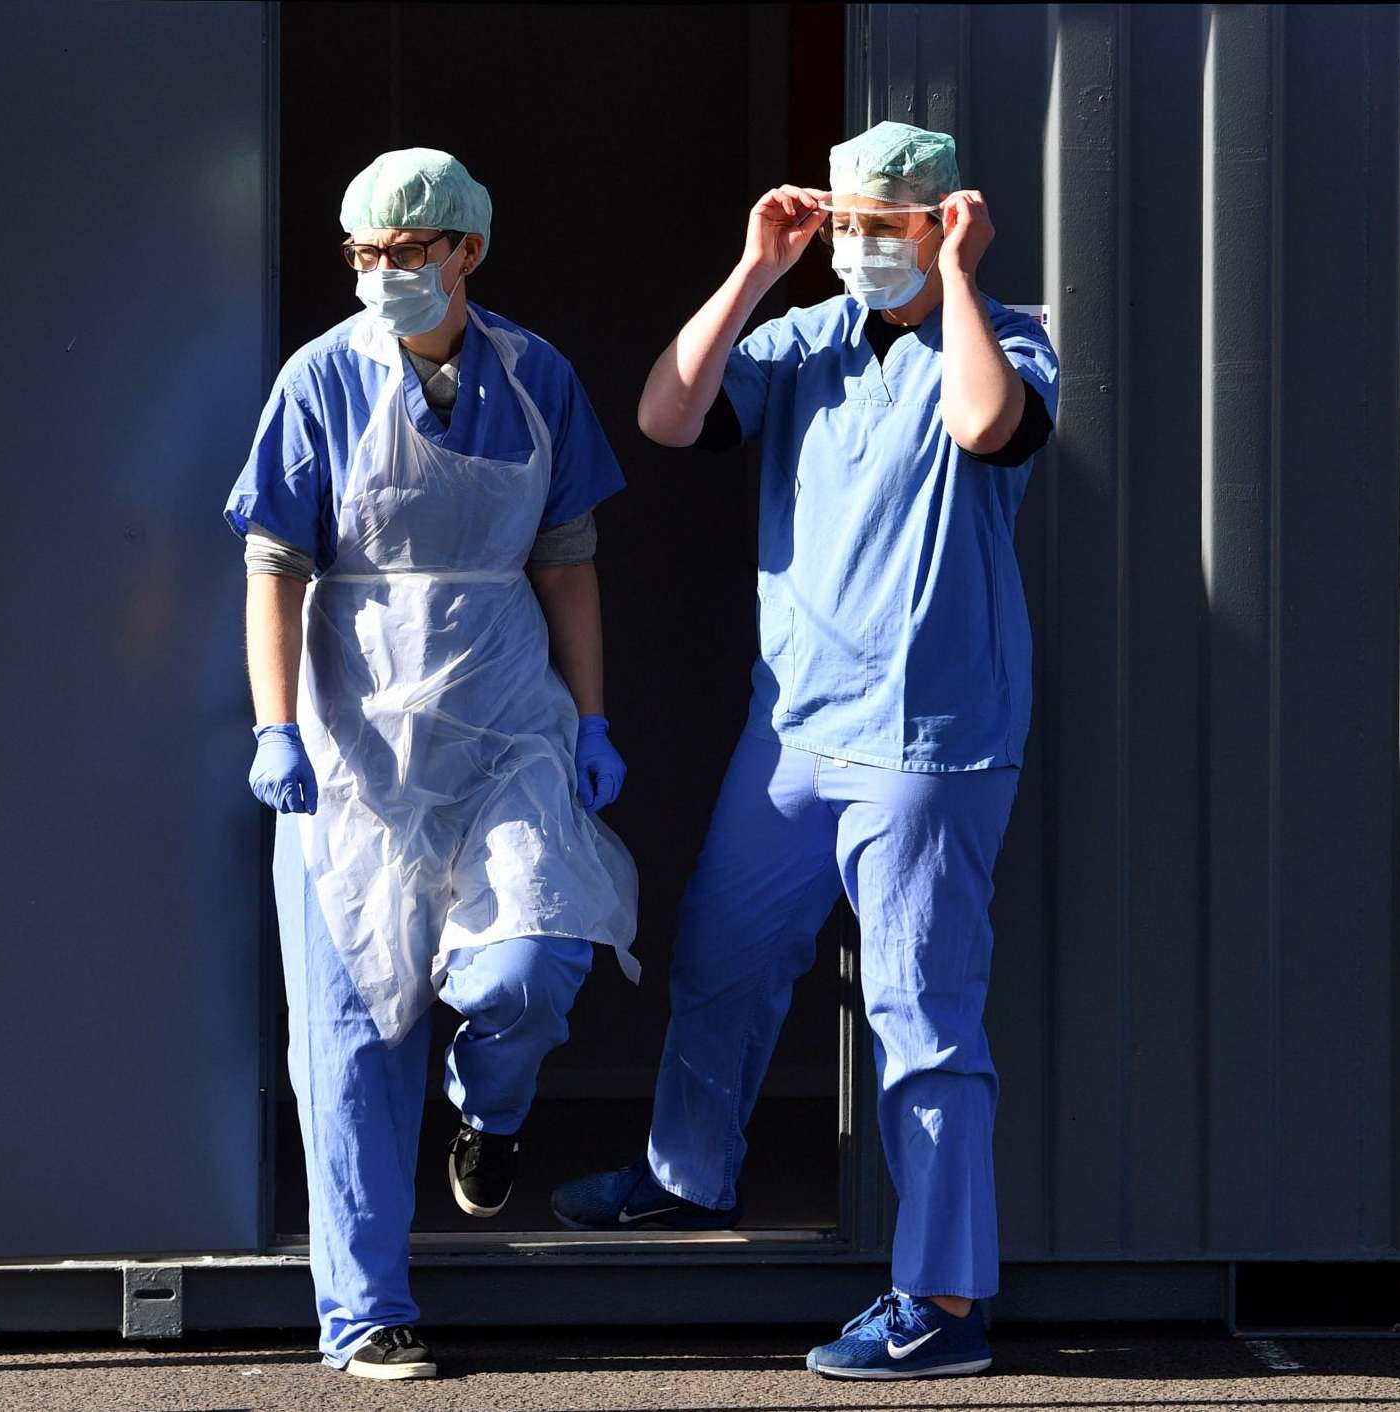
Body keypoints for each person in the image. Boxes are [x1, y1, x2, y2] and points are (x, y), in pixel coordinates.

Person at [550, 121, 1057, 1381]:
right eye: (846, 223)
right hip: (797, 726)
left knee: (921, 1014)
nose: (860, 246)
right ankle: (684, 1176)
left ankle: (942, 1303)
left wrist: (957, 276)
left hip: (926, 744)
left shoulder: (1002, 332)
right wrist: (756, 267)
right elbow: (667, 415)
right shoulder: (803, 344)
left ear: (940, 221)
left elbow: (992, 426)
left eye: (887, 224)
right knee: (721, 950)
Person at [226, 147, 638, 1381]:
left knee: (531, 960)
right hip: (356, 731)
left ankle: (491, 1108)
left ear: (467, 250)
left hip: (505, 714)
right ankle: (363, 1309)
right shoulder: (320, 380)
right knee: (351, 1029)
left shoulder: (535, 373)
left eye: (409, 252)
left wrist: (593, 714)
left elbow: (566, 558)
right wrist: (276, 724)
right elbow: (272, 568)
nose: (385, 273)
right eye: (364, 254)